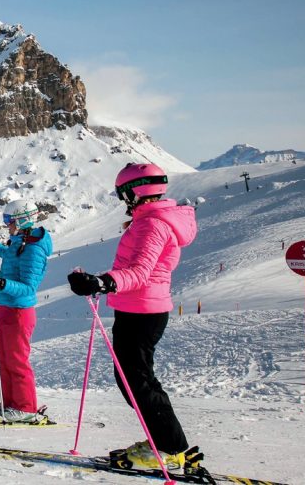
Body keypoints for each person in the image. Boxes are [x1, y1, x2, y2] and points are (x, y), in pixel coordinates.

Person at [67, 162, 197, 470]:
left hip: (143, 311)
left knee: (138, 382)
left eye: (122, 193)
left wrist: (104, 282)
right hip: (138, 308)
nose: (122, 200)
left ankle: (168, 447)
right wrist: (103, 282)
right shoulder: (149, 220)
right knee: (134, 380)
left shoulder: (152, 225)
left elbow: (139, 272)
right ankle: (162, 441)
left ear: (135, 192)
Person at [0, 199, 51, 424]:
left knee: (17, 360)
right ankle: (10, 405)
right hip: (5, 307)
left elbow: (29, 287)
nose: (7, 225)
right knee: (4, 359)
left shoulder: (34, 250)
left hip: (19, 311)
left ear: (23, 221)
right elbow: (10, 256)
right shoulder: (20, 241)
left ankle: (26, 407)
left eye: (9, 221)